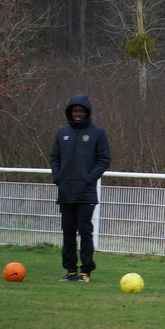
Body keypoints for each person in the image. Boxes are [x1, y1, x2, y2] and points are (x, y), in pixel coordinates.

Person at [50, 94, 111, 282]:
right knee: (68, 233)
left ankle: (86, 271)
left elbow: (104, 159)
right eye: (75, 111)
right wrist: (58, 177)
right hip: (66, 192)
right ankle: (70, 271)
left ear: (87, 113)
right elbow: (55, 158)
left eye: (81, 111)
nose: (78, 114)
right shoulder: (62, 133)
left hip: (86, 193)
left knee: (85, 232)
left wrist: (89, 179)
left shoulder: (97, 133)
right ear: (70, 112)